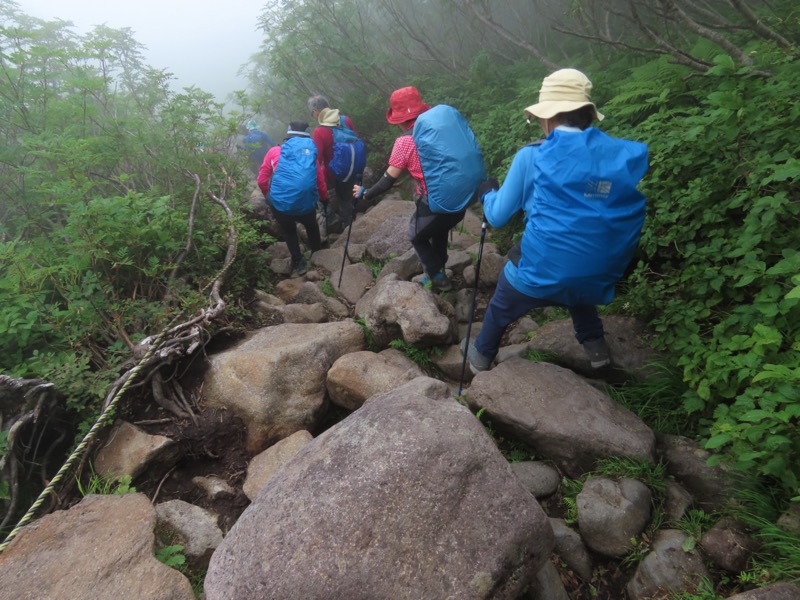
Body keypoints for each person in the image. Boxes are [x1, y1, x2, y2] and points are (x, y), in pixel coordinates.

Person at [462, 68, 648, 373]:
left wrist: (487, 193)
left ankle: (480, 359)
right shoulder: (612, 158)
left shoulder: (532, 157)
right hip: (595, 271)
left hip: (540, 271)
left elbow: (497, 216)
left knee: (499, 306)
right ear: (587, 114)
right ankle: (597, 353)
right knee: (577, 286)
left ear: (548, 117)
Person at [352, 87, 466, 292]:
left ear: (400, 121)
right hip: (461, 198)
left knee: (416, 235)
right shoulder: (444, 129)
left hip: (433, 202)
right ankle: (438, 269)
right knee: (438, 230)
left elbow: (387, 181)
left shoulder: (405, 141)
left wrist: (365, 193)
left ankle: (438, 277)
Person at [258, 121, 326, 276]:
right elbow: (319, 180)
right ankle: (317, 254)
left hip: (281, 205)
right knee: (312, 225)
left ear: (287, 137)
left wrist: (269, 197)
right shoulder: (309, 154)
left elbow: (262, 180)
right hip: (306, 204)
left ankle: (299, 263)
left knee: (289, 231)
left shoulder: (275, 151)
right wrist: (324, 199)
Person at [308, 94, 361, 234]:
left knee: (318, 191)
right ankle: (348, 224)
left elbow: (317, 161)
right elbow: (357, 140)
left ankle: (331, 222)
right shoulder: (346, 120)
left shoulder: (319, 131)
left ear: (315, 111)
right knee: (345, 199)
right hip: (351, 168)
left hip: (332, 174)